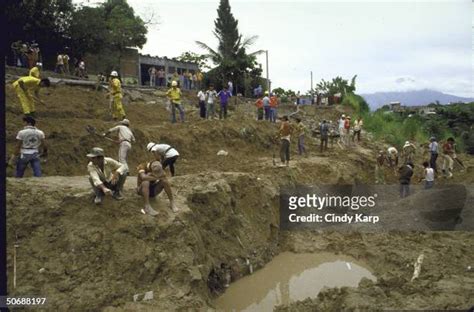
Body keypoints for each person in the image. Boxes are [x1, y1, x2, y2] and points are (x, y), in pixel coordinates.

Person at [136, 146, 179, 216]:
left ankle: (172, 202)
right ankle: (147, 206)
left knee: (164, 181)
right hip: (141, 190)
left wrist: (157, 176)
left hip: (153, 191)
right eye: (154, 173)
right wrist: (156, 177)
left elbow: (164, 176)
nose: (156, 175)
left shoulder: (158, 166)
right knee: (145, 182)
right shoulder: (142, 166)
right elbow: (143, 177)